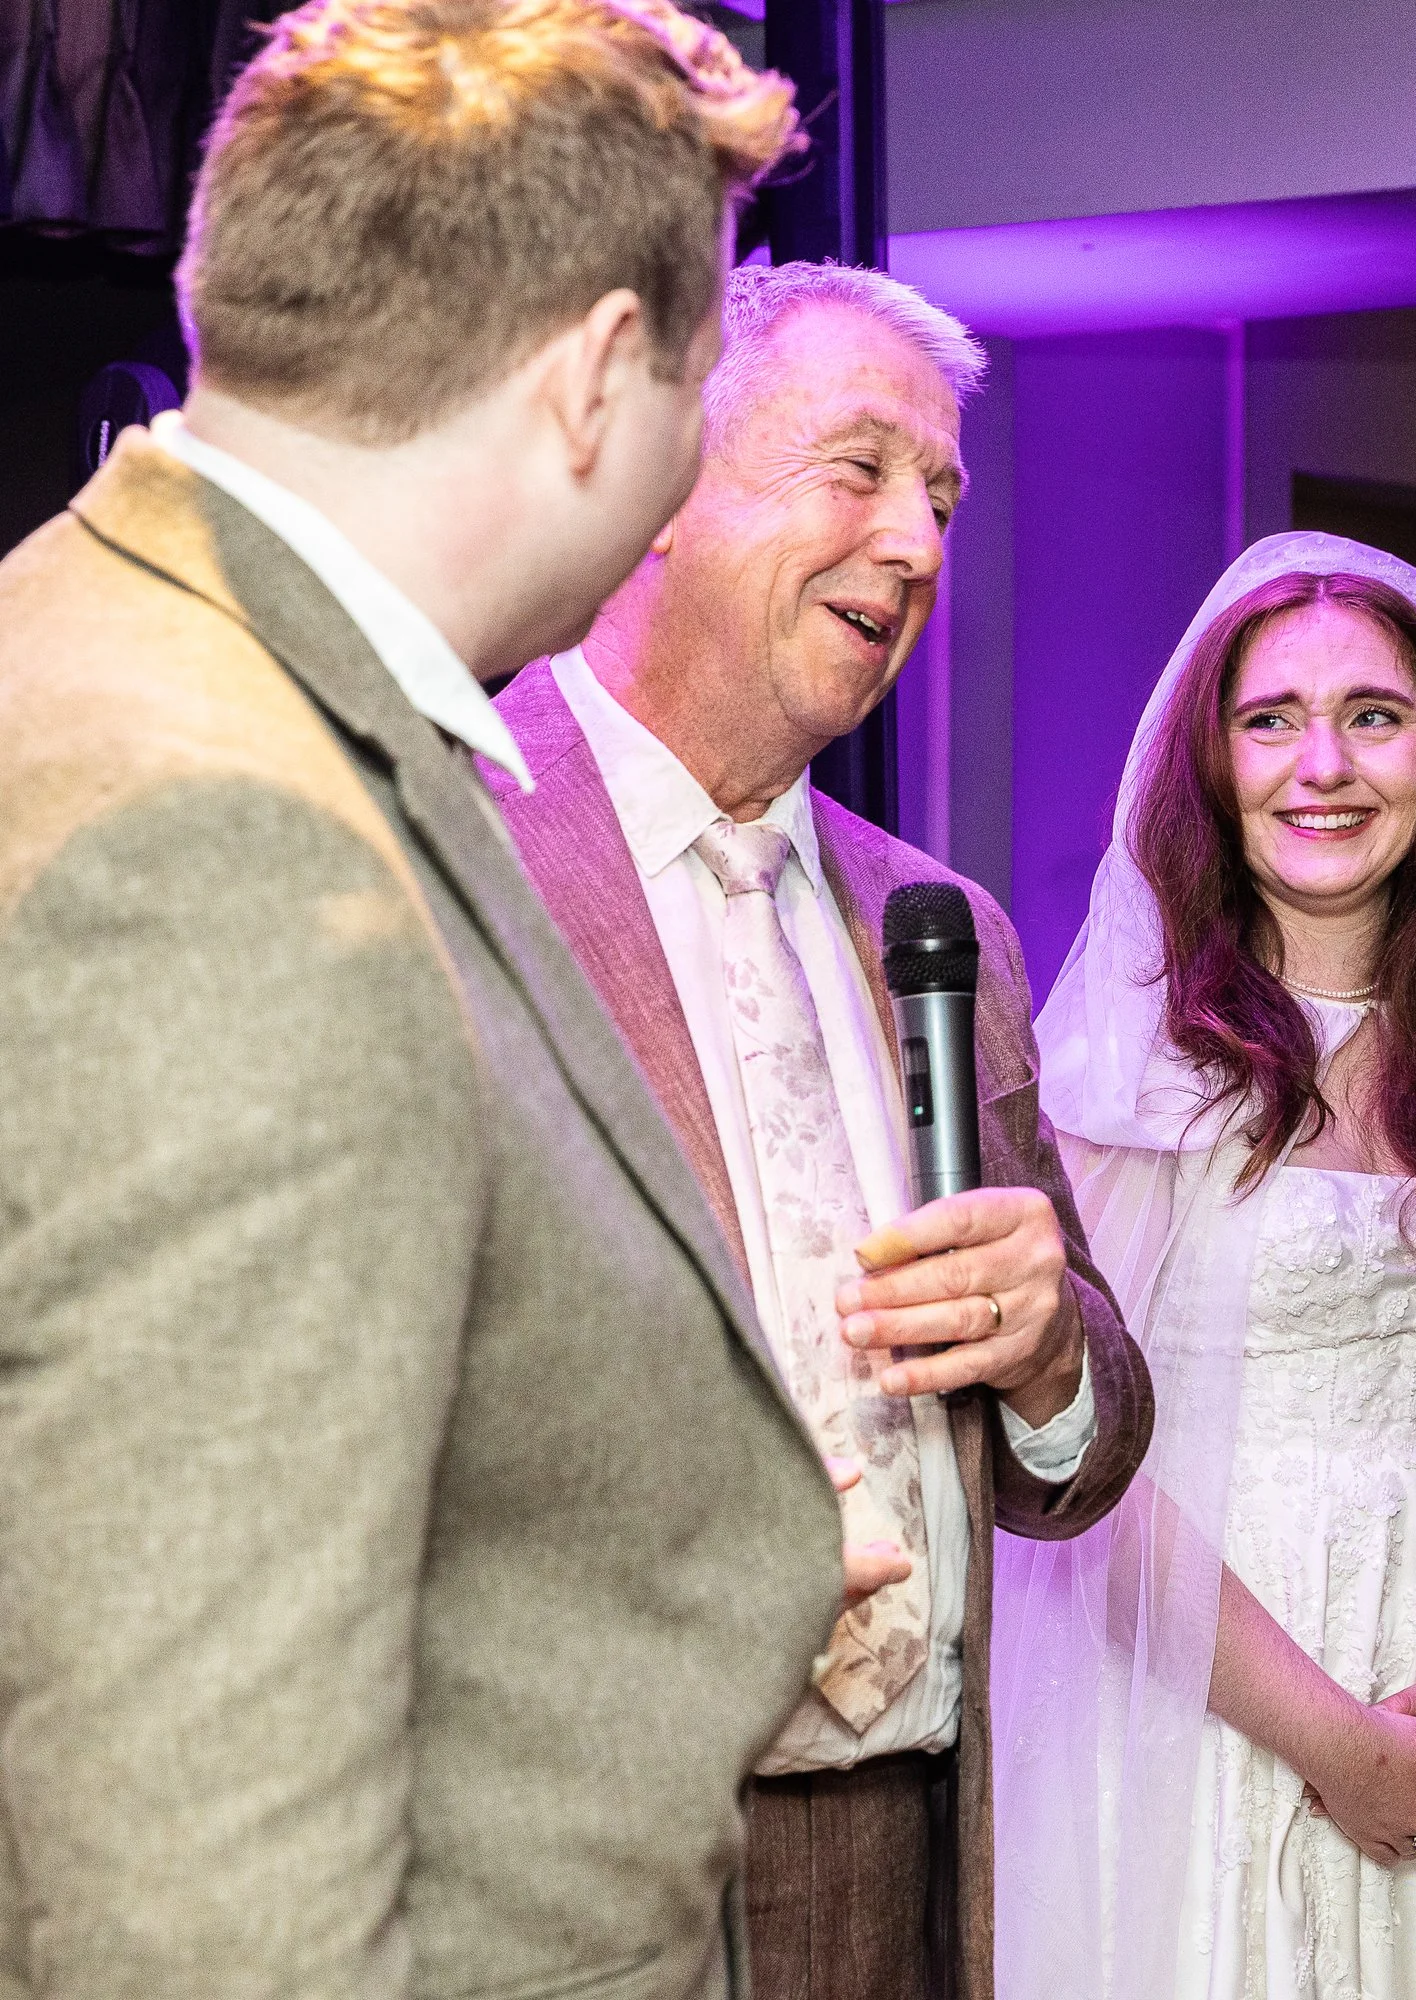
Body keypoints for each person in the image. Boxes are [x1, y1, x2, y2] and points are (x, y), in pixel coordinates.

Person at [0, 5, 854, 1995]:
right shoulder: (224, 840)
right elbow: (207, 1910)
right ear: (590, 382)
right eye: (702, 388)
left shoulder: (142, 656)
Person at [484, 259, 1153, 2000]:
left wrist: (1045, 1356)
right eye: (857, 471)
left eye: (940, 497)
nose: (920, 545)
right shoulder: (441, 856)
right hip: (575, 1870)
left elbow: (1085, 1444)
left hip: (911, 1858)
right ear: (658, 484)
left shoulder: (939, 925)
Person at [995, 534, 1416, 2000]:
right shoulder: (1132, 1072)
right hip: (1200, 1705)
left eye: (1374, 715)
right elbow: (1078, 1465)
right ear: (1214, 768)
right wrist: (1326, 1739)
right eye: (1271, 721)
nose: (1325, 764)